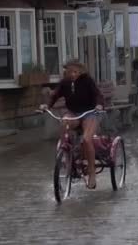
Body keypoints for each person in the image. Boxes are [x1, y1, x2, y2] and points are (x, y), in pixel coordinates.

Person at [40, 60, 104, 190]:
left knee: (87, 139)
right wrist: (46, 106)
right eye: (70, 72)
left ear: (80, 71)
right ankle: (68, 156)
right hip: (73, 113)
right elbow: (55, 95)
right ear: (66, 72)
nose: (73, 74)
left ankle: (91, 172)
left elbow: (98, 95)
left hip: (89, 113)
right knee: (64, 122)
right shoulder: (65, 83)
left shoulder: (87, 81)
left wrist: (99, 105)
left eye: (75, 72)